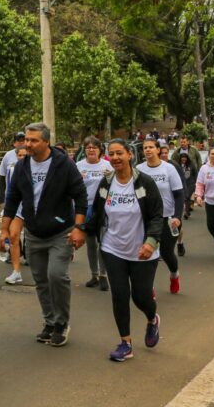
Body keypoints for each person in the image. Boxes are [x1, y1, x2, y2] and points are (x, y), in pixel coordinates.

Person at [0, 122, 87, 347]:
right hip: (34, 233)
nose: (28, 144)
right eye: (27, 140)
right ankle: (49, 322)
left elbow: (80, 195)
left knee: (56, 275)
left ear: (46, 142)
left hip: (61, 231)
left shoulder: (63, 164)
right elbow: (12, 199)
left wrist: (78, 228)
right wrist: (4, 230)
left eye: (33, 140)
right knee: (40, 280)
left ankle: (62, 323)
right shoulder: (22, 166)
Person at [85, 139, 163, 362]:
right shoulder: (106, 182)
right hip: (112, 248)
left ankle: (151, 318)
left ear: (130, 155)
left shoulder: (144, 182)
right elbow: (97, 212)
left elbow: (157, 215)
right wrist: (82, 231)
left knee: (141, 297)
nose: (116, 157)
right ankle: (125, 343)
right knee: (119, 295)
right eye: (112, 154)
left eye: (120, 153)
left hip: (142, 251)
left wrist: (151, 242)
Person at [137, 139, 184, 294]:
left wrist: (177, 216)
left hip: (168, 217)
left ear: (158, 150)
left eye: (151, 147)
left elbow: (178, 194)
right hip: (147, 218)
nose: (148, 150)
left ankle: (174, 274)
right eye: (145, 148)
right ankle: (149, 287)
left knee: (166, 252)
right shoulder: (138, 169)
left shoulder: (169, 169)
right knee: (149, 252)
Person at [75, 136, 113, 291]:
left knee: (103, 242)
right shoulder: (78, 166)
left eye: (94, 147)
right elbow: (74, 189)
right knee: (91, 243)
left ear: (100, 150)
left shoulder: (108, 166)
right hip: (85, 208)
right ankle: (94, 275)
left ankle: (104, 275)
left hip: (104, 208)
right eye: (88, 147)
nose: (91, 149)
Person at [1, 145, 28, 284]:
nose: (22, 158)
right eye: (20, 155)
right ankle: (16, 272)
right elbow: (11, 190)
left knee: (38, 238)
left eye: (25, 155)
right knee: (13, 236)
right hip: (18, 206)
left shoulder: (35, 168)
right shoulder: (14, 169)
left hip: (33, 207)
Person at [0, 132, 26, 204]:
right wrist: (1, 198)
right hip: (11, 197)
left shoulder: (32, 154)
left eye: (24, 140)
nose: (22, 142)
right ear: (14, 143)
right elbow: (1, 176)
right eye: (19, 140)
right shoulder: (8, 155)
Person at [178, 152, 197, 220]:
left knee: (187, 196)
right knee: (186, 198)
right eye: (182, 157)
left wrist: (196, 182)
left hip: (190, 184)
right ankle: (187, 211)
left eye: (185, 157)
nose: (184, 159)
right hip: (181, 184)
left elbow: (195, 173)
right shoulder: (178, 165)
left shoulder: (191, 165)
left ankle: (186, 212)